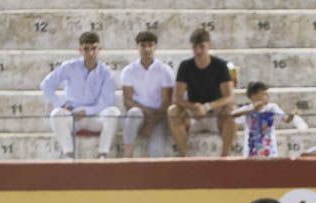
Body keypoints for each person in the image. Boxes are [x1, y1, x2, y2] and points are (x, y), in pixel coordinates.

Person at [40, 32, 121, 159]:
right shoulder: (69, 67)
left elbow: (107, 101)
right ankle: (69, 155)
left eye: (94, 48)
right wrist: (62, 105)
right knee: (56, 114)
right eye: (86, 49)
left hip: (95, 116)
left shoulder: (106, 72)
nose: (90, 53)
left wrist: (86, 111)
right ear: (80, 50)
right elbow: (46, 85)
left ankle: (102, 154)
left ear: (99, 49)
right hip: (73, 117)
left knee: (114, 112)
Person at [168, 29, 236, 157]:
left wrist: (208, 107)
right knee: (173, 111)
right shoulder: (185, 66)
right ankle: (185, 155)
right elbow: (177, 98)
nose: (198, 51)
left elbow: (229, 96)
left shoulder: (220, 65)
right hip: (193, 113)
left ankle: (225, 156)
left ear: (209, 46)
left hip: (215, 113)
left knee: (231, 111)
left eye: (201, 47)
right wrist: (194, 107)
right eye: (195, 47)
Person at [119, 30, 175, 158]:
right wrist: (146, 112)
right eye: (143, 45)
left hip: (159, 115)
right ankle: (127, 156)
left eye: (150, 45)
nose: (147, 49)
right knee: (133, 113)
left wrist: (151, 122)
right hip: (139, 112)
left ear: (155, 47)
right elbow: (127, 100)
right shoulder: (129, 70)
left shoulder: (165, 71)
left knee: (156, 150)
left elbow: (167, 101)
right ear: (137, 47)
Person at [232, 82, 293, 158]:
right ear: (253, 96)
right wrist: (252, 109)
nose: (267, 96)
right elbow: (232, 115)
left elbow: (286, 119)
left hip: (269, 150)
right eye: (263, 94)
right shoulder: (247, 109)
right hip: (251, 151)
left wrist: (292, 115)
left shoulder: (272, 108)